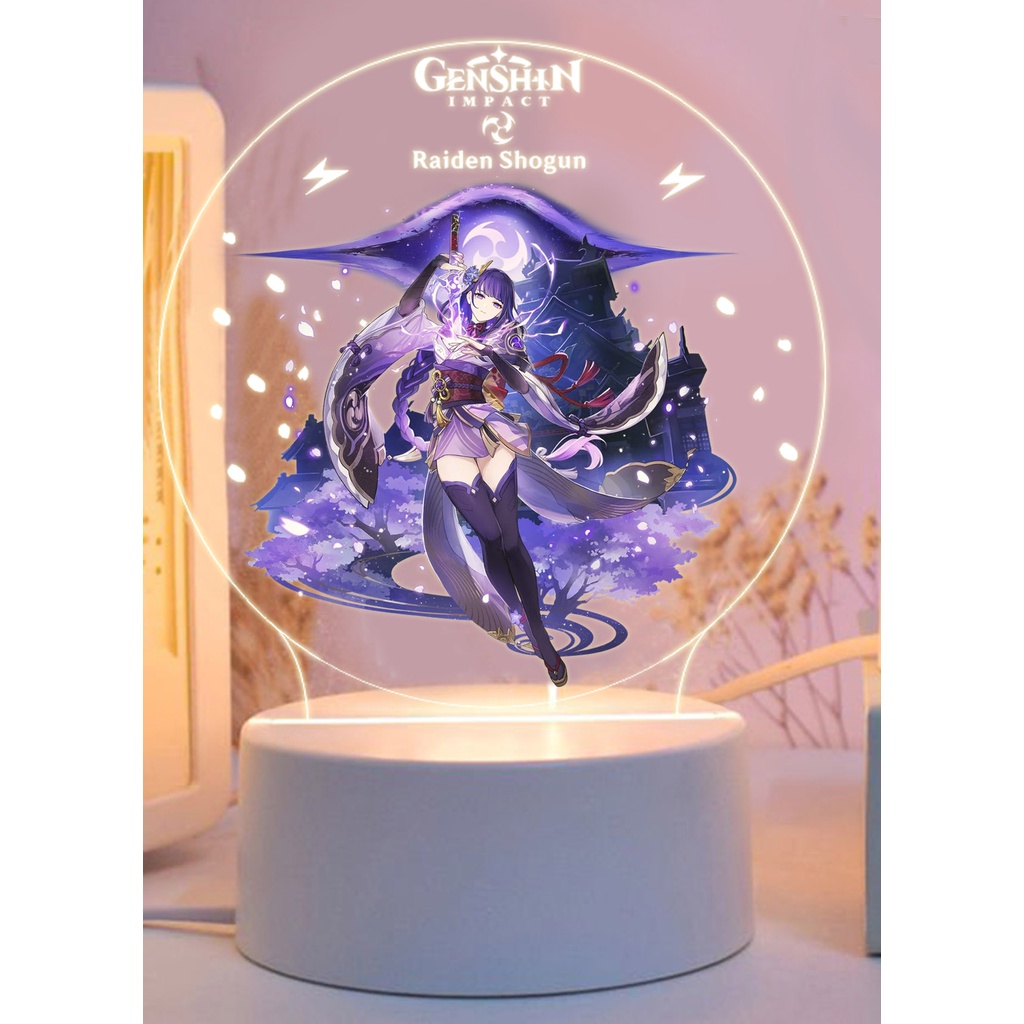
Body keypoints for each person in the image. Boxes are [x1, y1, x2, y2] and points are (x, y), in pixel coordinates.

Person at [324, 251, 687, 687]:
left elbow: (519, 381)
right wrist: (435, 264)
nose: (486, 307)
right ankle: (522, 620)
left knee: (510, 539)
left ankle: (539, 636)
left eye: (496, 303)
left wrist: (501, 361)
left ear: (504, 309)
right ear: (470, 293)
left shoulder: (506, 338)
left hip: (492, 431)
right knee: (491, 536)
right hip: (452, 439)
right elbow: (406, 308)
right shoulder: (441, 330)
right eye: (481, 297)